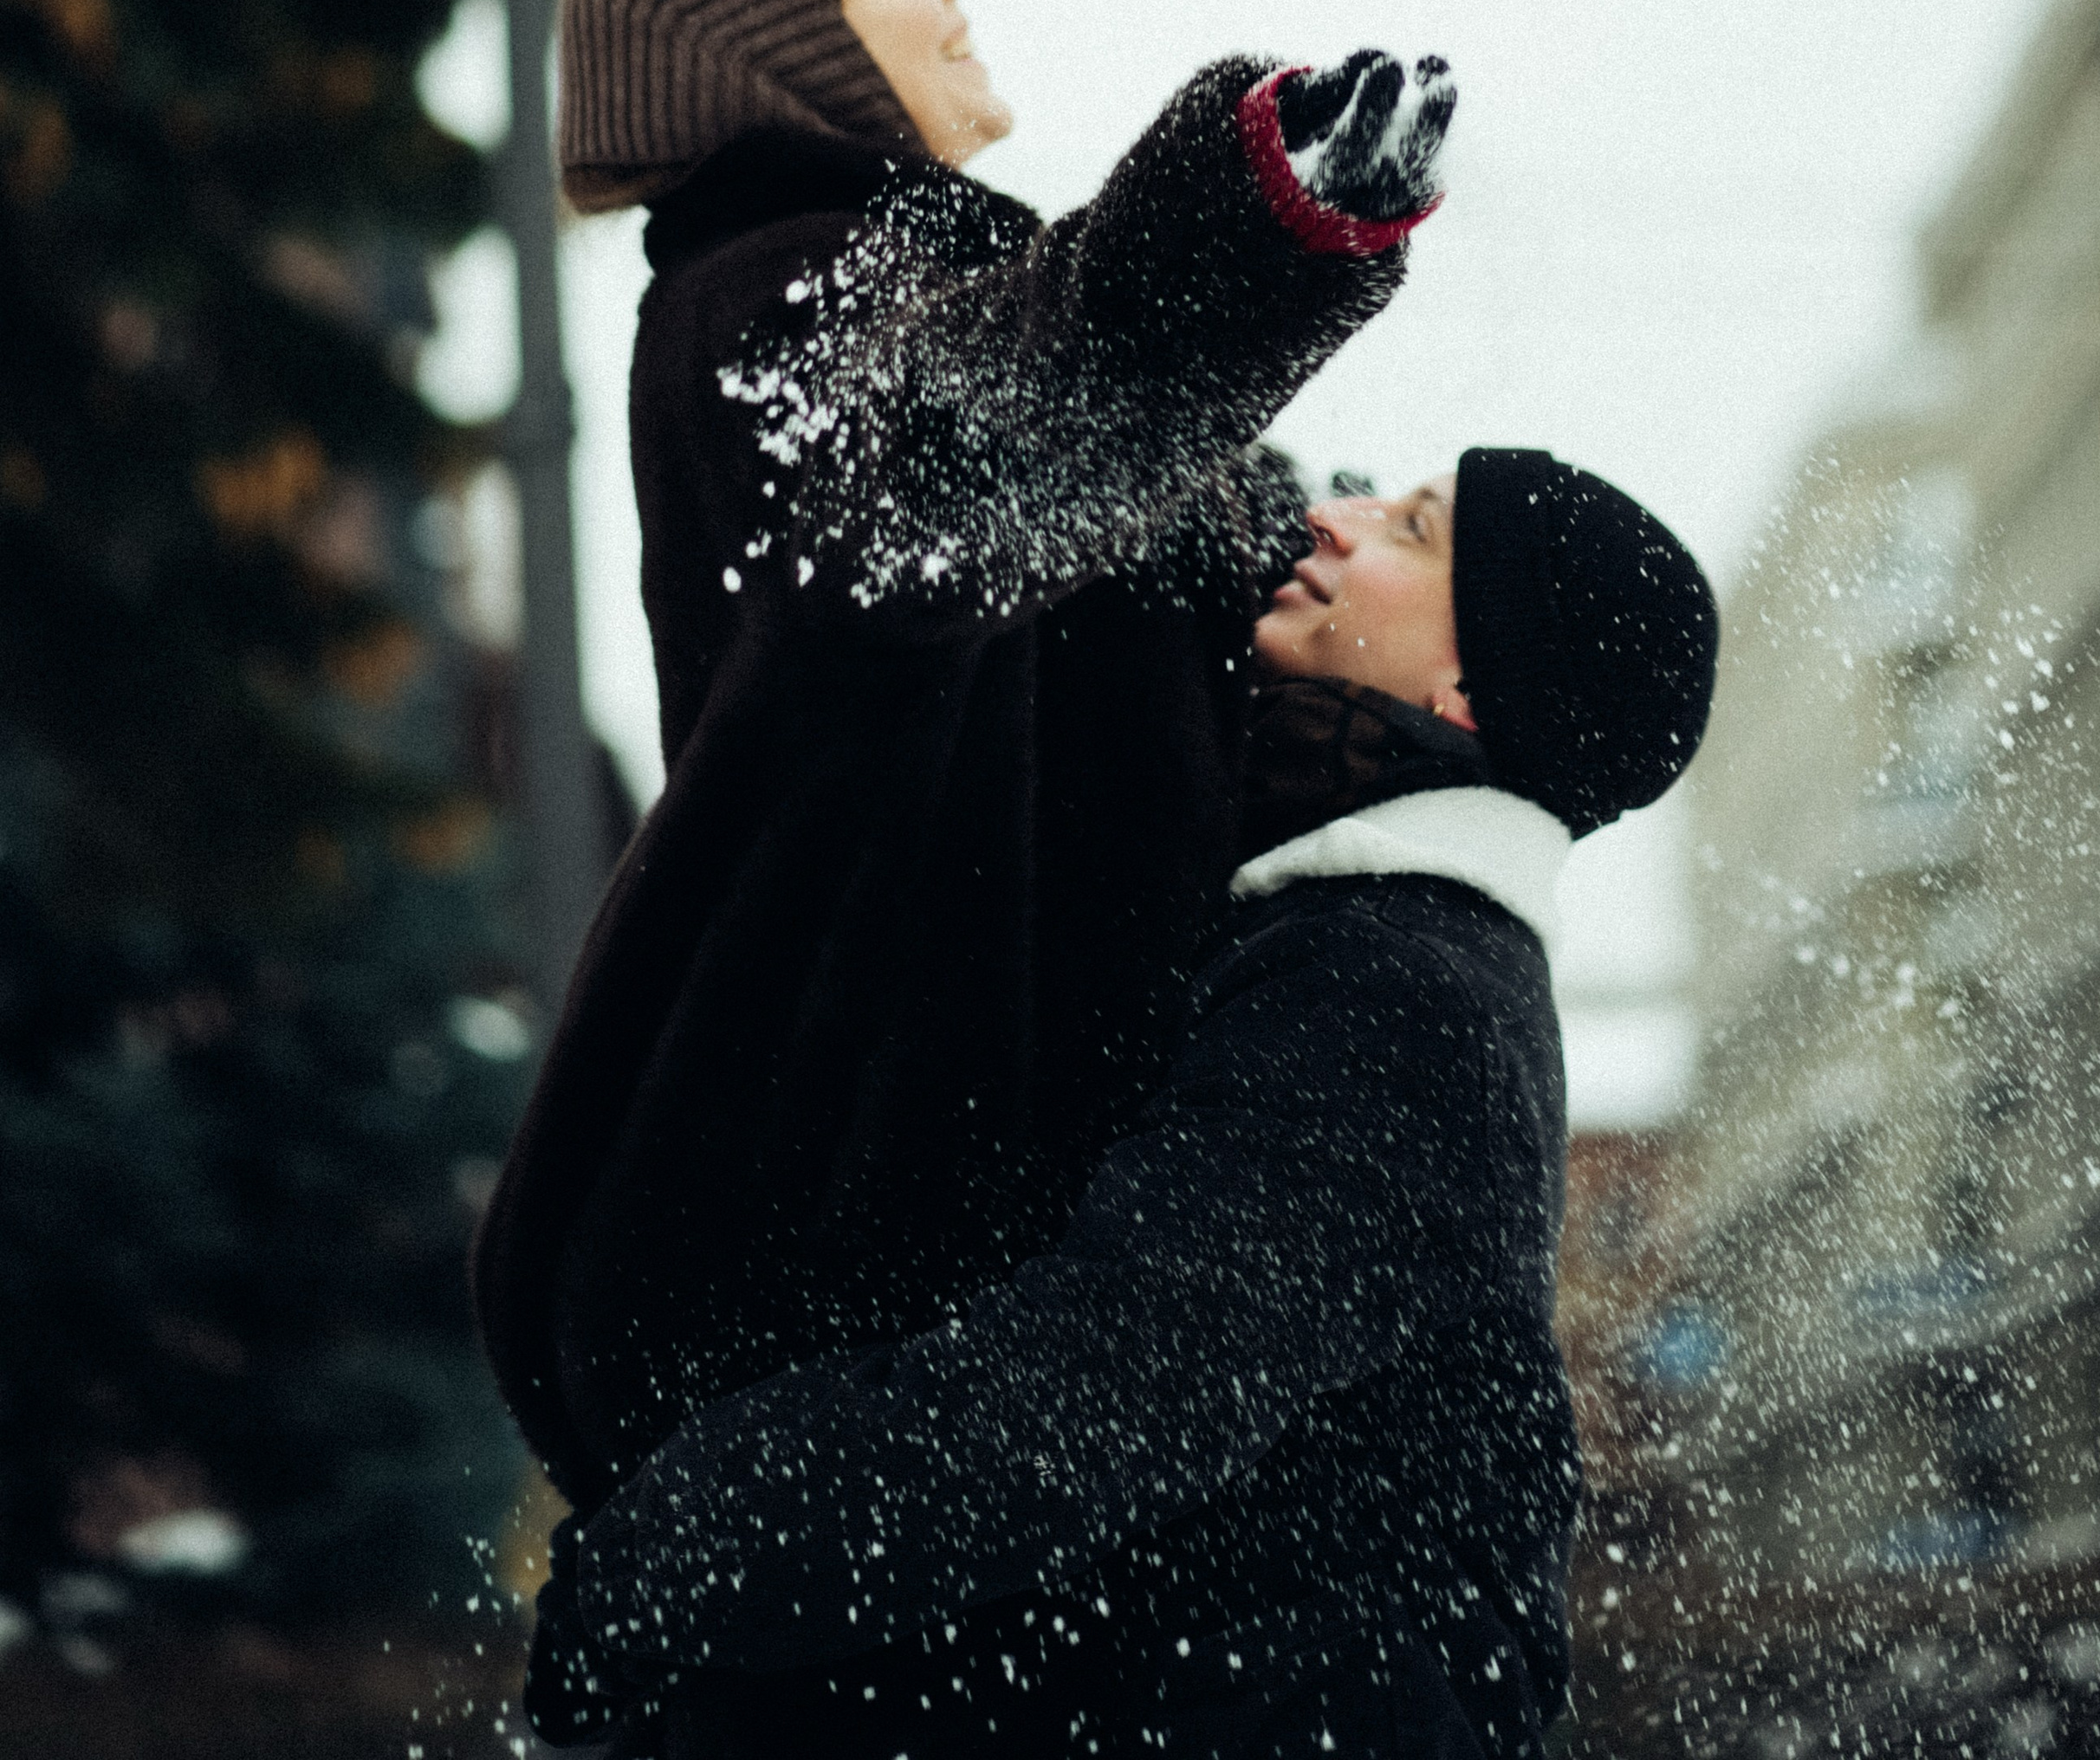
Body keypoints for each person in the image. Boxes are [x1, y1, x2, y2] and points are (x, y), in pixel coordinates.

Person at [471, 0, 1459, 1649]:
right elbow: (940, 491)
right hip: (910, 1233)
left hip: (961, 1234)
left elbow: (1168, 614)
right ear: (777, 45)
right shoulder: (787, 292)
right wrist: (1252, 228)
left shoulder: (905, 291)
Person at [519, 447, 1717, 1760]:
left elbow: (1105, 1390)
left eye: (1410, 531)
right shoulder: (1335, 926)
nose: (1332, 519)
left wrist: (692, 1544)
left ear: (1469, 689)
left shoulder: (1409, 996)